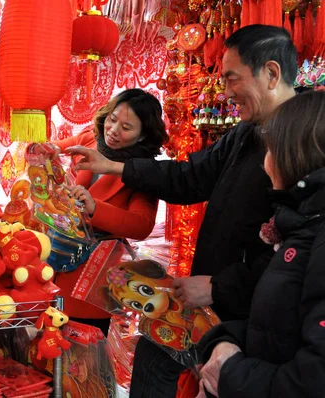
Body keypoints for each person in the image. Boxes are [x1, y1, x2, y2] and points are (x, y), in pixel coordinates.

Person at [65, 24, 298, 397]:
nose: (225, 92)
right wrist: (115, 166)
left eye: (231, 79)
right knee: (156, 349)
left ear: (271, 73)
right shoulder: (244, 134)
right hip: (216, 294)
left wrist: (219, 288)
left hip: (260, 313)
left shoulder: (302, 143)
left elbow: (295, 248)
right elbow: (189, 177)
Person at [197, 90, 325, 398]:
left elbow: (313, 379)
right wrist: (224, 342)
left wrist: (231, 373)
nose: (264, 164)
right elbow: (279, 329)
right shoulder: (302, 226)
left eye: (270, 150)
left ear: (293, 154)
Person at [30, 88, 169, 335]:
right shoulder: (90, 140)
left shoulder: (143, 173)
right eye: (113, 120)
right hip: (55, 257)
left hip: (93, 273)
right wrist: (45, 150)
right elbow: (59, 148)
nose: (113, 130)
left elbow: (142, 225)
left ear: (142, 136)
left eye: (126, 128)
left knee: (84, 350)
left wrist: (96, 208)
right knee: (46, 339)